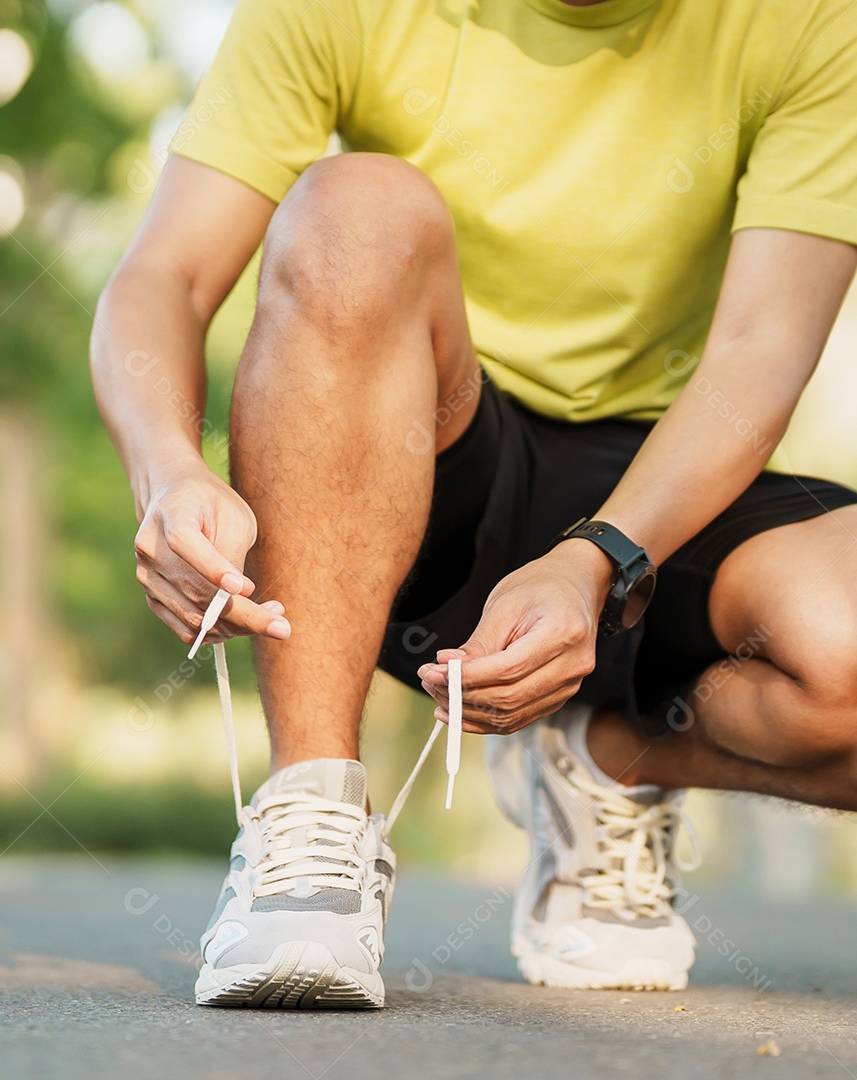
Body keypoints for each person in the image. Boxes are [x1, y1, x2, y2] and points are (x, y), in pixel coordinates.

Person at [91, 0, 857, 1006]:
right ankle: (310, 825)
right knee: (353, 205)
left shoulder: (811, 22)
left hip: (670, 478)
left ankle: (611, 756)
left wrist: (595, 559)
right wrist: (168, 470)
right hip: (433, 451)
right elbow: (166, 274)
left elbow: (760, 355)